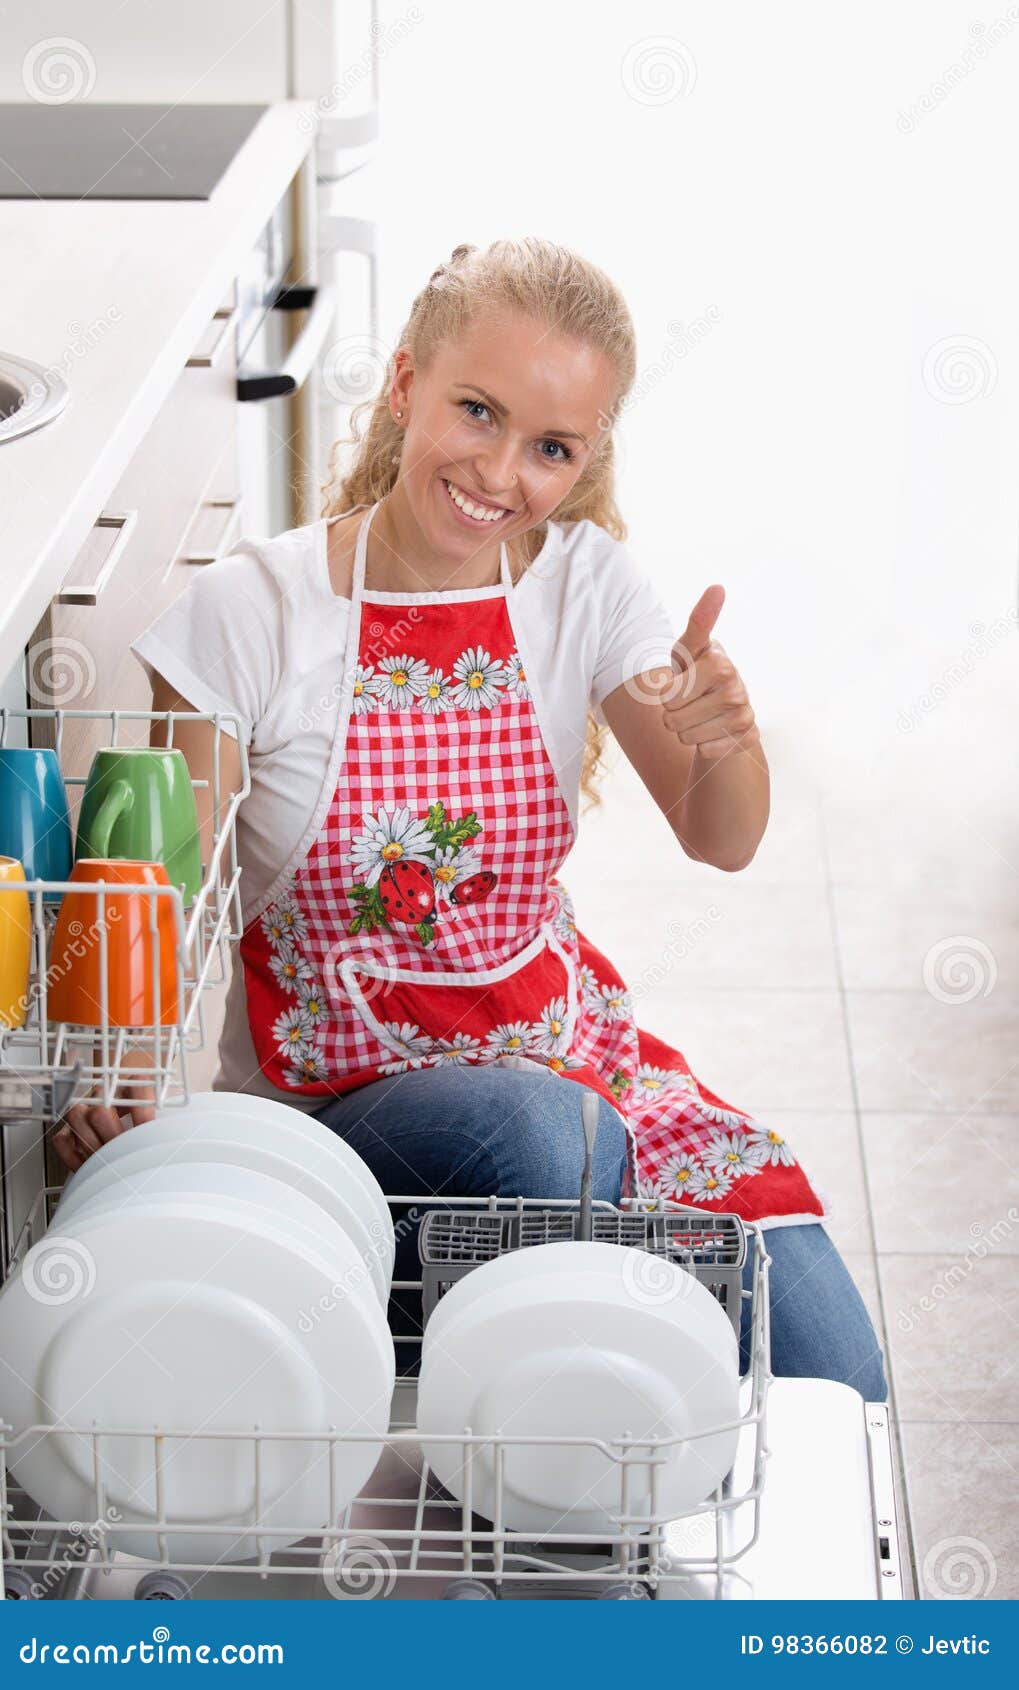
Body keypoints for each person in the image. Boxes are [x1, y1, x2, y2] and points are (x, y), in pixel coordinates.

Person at [53, 237, 887, 1401]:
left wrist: (725, 735)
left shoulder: (583, 586)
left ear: (584, 457)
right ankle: (568, 1344)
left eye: (549, 447)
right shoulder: (252, 612)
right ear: (403, 386)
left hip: (579, 1064)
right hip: (349, 1116)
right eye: (476, 412)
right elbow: (169, 886)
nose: (500, 472)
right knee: (543, 1145)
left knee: (836, 1380)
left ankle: (593, 1328)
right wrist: (119, 1065)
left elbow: (721, 834)